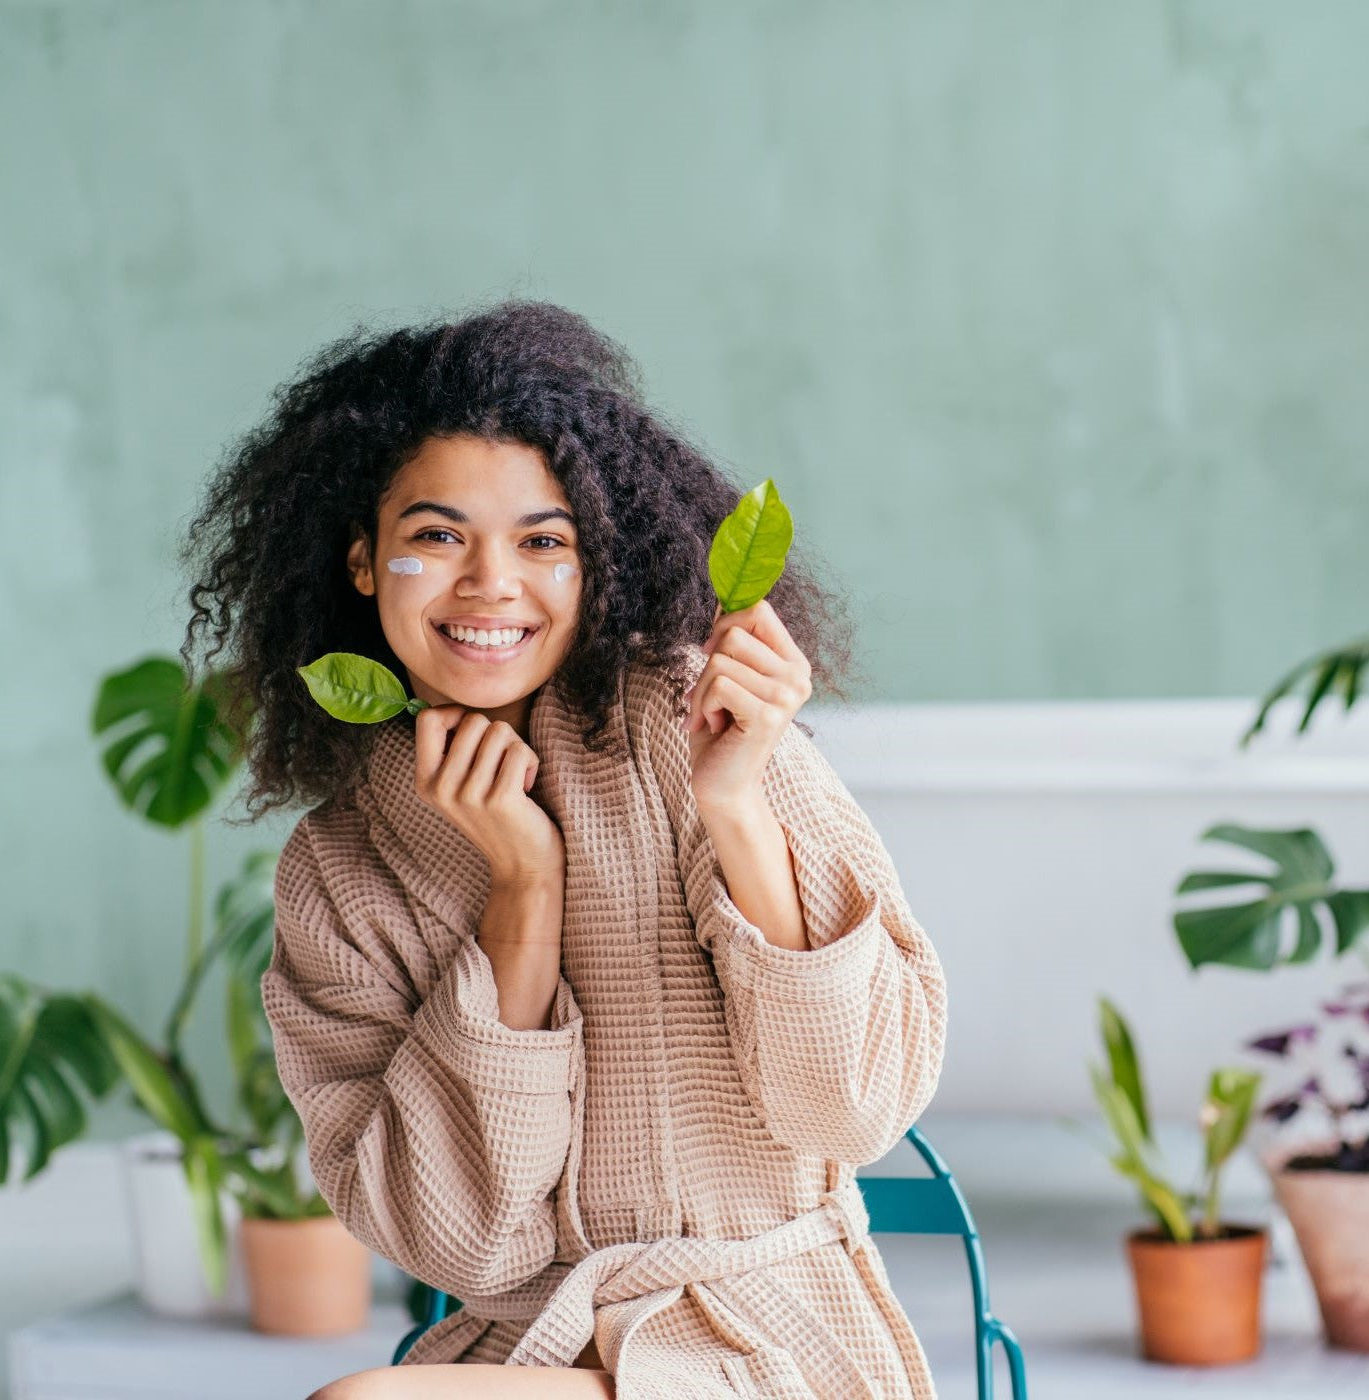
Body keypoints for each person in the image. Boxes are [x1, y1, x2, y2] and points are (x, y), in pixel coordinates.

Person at [179, 299, 947, 1400]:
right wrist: (522, 888)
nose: (491, 582)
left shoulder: (701, 722)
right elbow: (465, 1248)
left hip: (773, 1341)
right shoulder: (338, 867)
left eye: (544, 541)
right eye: (437, 536)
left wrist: (733, 805)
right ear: (361, 559)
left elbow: (854, 1107)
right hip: (534, 1350)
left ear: (596, 562)